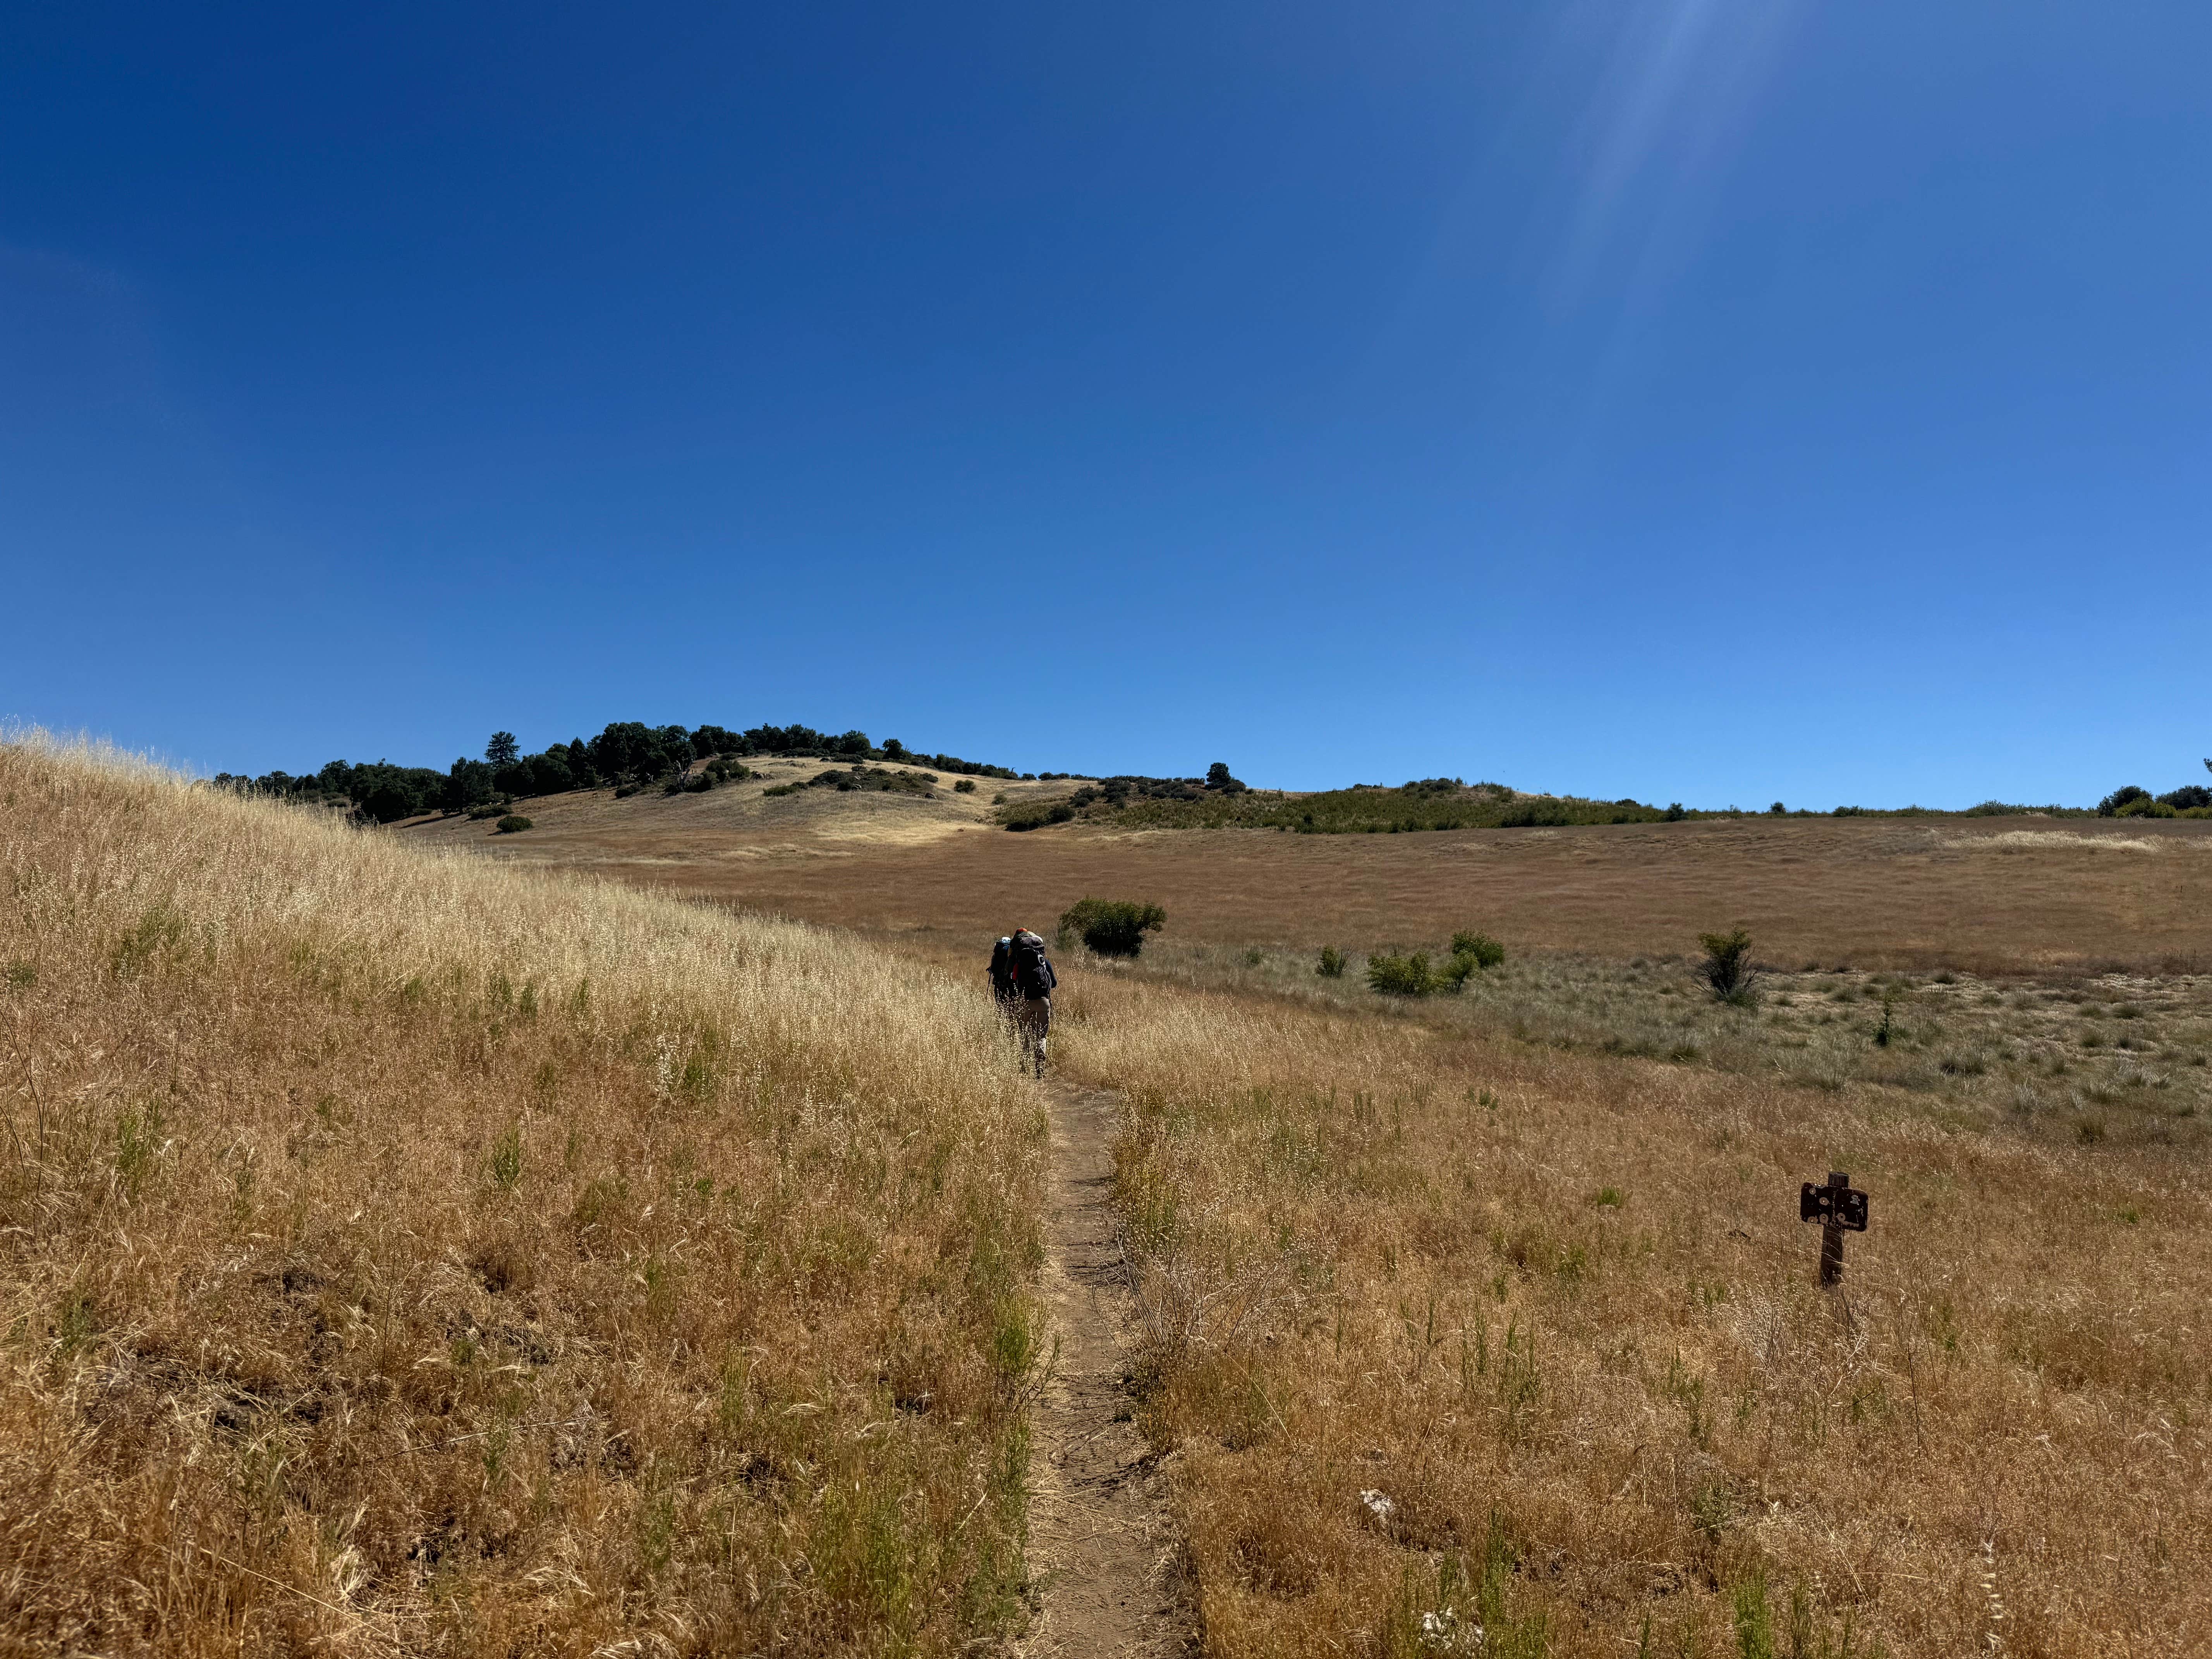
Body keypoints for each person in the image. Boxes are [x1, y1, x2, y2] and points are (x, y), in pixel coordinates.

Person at [988, 927, 1057, 1077]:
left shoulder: (1019, 961)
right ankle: (1040, 1068)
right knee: (1041, 1036)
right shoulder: (1044, 961)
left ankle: (1024, 1067)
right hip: (1045, 1003)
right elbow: (1054, 984)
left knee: (1025, 1033)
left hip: (1026, 1002)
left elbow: (1014, 981)